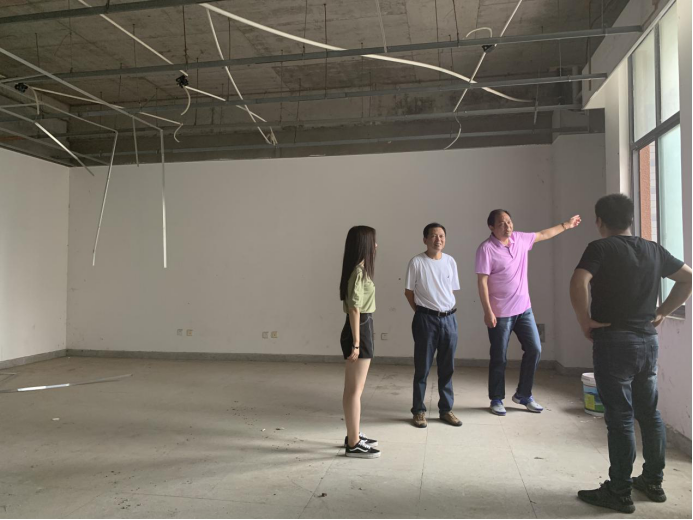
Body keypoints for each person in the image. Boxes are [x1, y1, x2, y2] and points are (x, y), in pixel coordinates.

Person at [571, 194, 692, 514]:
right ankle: (652, 482)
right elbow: (688, 278)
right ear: (631, 219)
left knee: (621, 417)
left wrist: (585, 321)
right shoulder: (654, 249)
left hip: (614, 341)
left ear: (599, 221)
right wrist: (663, 312)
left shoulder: (600, 248)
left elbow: (578, 281)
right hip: (648, 342)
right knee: (649, 414)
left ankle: (619, 491)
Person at [476, 209, 581, 416]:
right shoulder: (486, 249)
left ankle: (523, 395)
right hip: (500, 313)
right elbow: (482, 282)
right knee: (499, 357)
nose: (507, 226)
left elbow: (543, 234)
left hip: (524, 309)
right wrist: (487, 311)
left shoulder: (520, 239)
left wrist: (566, 225)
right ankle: (496, 398)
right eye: (501, 223)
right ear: (491, 227)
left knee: (534, 349)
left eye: (509, 222)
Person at [405, 223, 462, 429]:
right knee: (423, 368)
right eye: (434, 236)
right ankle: (419, 411)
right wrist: (423, 312)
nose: (438, 239)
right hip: (425, 320)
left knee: (447, 368)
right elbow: (409, 292)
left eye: (442, 236)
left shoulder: (450, 261)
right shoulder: (417, 262)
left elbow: (451, 290)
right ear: (425, 240)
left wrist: (443, 310)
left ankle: (446, 410)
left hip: (449, 319)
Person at [340, 226, 381, 459]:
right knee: (354, 391)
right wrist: (357, 343)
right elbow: (355, 308)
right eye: (373, 242)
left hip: (363, 326)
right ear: (363, 245)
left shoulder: (360, 270)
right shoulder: (358, 272)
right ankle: (353, 443)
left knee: (354, 389)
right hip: (360, 328)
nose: (376, 246)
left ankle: (353, 435)